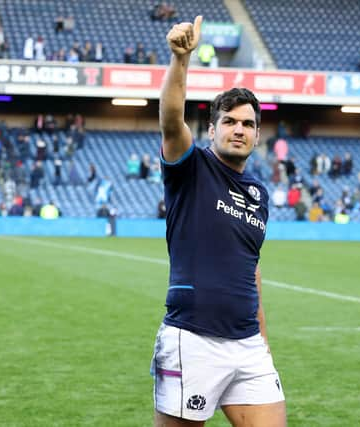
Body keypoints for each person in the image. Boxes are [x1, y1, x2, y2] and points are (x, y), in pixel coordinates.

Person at [151, 15, 286, 426]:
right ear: (211, 130)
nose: (239, 130)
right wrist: (181, 60)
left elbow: (251, 268)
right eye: (229, 121)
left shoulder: (259, 194)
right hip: (192, 340)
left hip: (248, 346)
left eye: (248, 124)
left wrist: (262, 341)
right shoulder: (190, 168)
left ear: (258, 135)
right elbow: (171, 120)